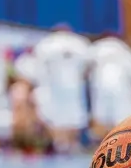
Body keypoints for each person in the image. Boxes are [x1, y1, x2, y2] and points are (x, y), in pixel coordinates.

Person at [33, 24, 91, 153]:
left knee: (56, 116)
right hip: (74, 86)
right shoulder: (80, 44)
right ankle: (70, 144)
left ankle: (60, 144)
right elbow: (87, 69)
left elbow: (39, 69)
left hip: (54, 87)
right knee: (74, 116)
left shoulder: (45, 44)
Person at [87, 33, 131, 140]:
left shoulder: (97, 48)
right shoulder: (130, 54)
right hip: (121, 89)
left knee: (101, 118)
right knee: (120, 120)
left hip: (101, 87)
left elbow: (85, 67)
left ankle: (102, 146)